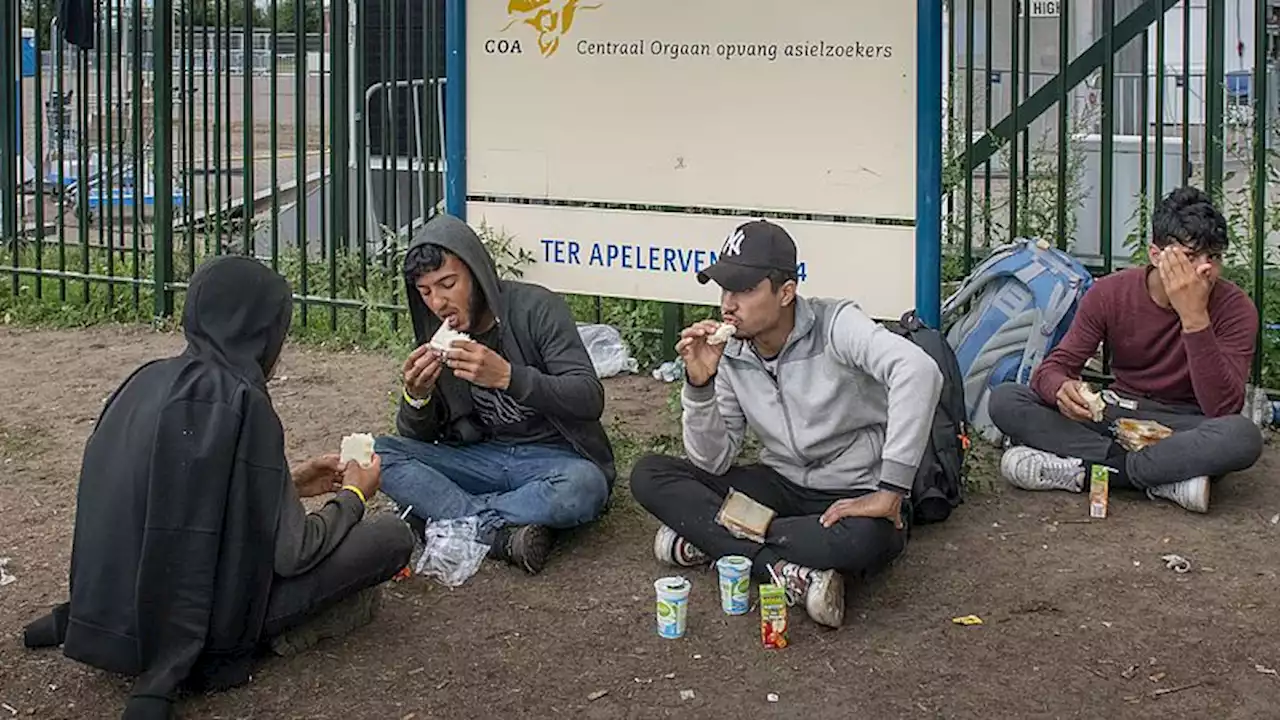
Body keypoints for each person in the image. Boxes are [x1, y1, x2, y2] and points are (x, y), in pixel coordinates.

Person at [21, 256, 415, 719]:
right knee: (391, 536)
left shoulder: (144, 379)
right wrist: (353, 497)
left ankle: (82, 620)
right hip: (205, 627)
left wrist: (288, 483)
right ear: (263, 333)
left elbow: (180, 499)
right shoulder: (243, 400)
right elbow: (295, 552)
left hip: (113, 610)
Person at [629, 219, 943, 628]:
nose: (728, 304)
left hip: (851, 491)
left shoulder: (836, 325)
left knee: (867, 539)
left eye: (745, 289)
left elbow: (919, 370)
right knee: (650, 474)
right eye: (725, 289)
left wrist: (891, 490)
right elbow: (712, 462)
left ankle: (715, 540)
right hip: (780, 485)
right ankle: (783, 570)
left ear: (786, 293)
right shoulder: (732, 352)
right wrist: (700, 385)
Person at [989, 186, 1264, 513]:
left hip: (1186, 428)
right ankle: (1164, 478)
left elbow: (1223, 407)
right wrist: (1061, 389)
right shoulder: (1110, 293)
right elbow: (1053, 369)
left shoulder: (1236, 308)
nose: (1206, 269)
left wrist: (1194, 318)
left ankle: (1086, 472)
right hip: (1118, 415)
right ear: (1155, 254)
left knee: (1243, 437)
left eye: (1214, 257)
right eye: (1190, 257)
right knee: (1006, 399)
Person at [374, 214, 615, 575]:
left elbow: (588, 397)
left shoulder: (537, 309)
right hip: (481, 458)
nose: (438, 302)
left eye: (448, 283)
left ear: (477, 273)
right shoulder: (435, 333)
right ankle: (497, 533)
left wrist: (509, 377)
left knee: (585, 487)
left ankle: (448, 518)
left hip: (552, 462)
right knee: (378, 454)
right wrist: (417, 397)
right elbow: (418, 441)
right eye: (425, 292)